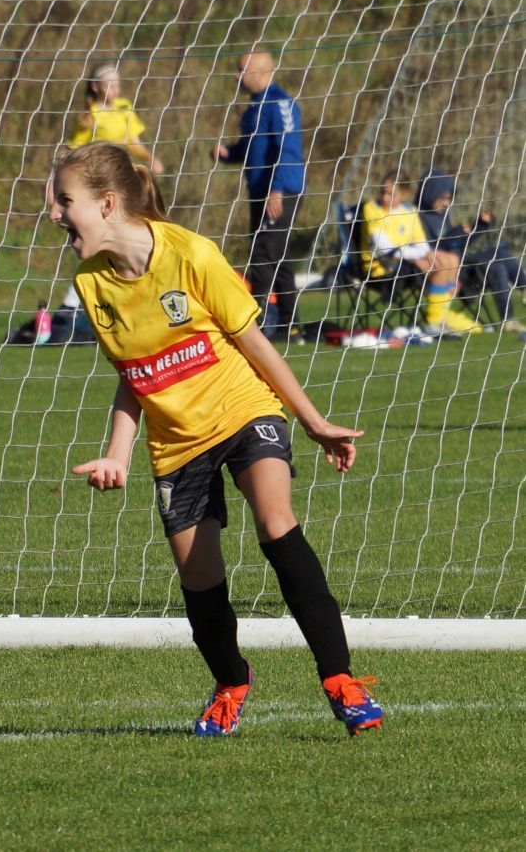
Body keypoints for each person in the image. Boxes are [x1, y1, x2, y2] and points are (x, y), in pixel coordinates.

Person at [49, 141, 383, 738]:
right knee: (200, 582)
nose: (54, 213)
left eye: (63, 201)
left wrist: (311, 420)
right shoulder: (90, 283)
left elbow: (256, 345)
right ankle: (231, 682)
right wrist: (118, 453)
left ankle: (342, 680)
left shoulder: (189, 254)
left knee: (275, 522)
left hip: (242, 410)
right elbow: (134, 375)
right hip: (176, 443)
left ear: (105, 204)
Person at [212, 49, 305, 345]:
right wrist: (229, 153)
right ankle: (290, 327)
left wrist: (277, 188)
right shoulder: (253, 108)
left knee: (263, 256)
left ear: (263, 72)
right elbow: (252, 150)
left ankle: (260, 327)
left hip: (281, 191)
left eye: (242, 70)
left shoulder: (280, 103)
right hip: (260, 191)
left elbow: (288, 148)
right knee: (276, 258)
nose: (236, 76)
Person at [361, 169, 479, 335]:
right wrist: (424, 254)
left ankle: (439, 318)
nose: (385, 197)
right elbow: (385, 249)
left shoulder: (410, 211)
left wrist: (426, 253)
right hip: (382, 267)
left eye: (392, 194)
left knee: (451, 259)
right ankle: (436, 320)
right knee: (442, 261)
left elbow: (422, 245)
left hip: (405, 262)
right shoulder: (371, 208)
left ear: (404, 194)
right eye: (383, 192)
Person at [416, 169, 526, 333]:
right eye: (443, 198)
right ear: (430, 193)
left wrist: (480, 226)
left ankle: (524, 288)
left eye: (449, 199)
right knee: (495, 267)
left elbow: (456, 244)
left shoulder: (442, 215)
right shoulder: (417, 217)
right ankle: (508, 320)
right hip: (446, 270)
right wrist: (455, 233)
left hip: (461, 262)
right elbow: (429, 251)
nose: (447, 203)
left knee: (500, 252)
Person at [66, 62, 164, 175]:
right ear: (95, 86)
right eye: (110, 86)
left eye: (117, 85)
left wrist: (151, 159)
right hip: (97, 174)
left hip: (122, 172)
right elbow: (73, 150)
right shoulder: (89, 115)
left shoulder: (124, 106)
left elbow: (134, 142)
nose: (115, 90)